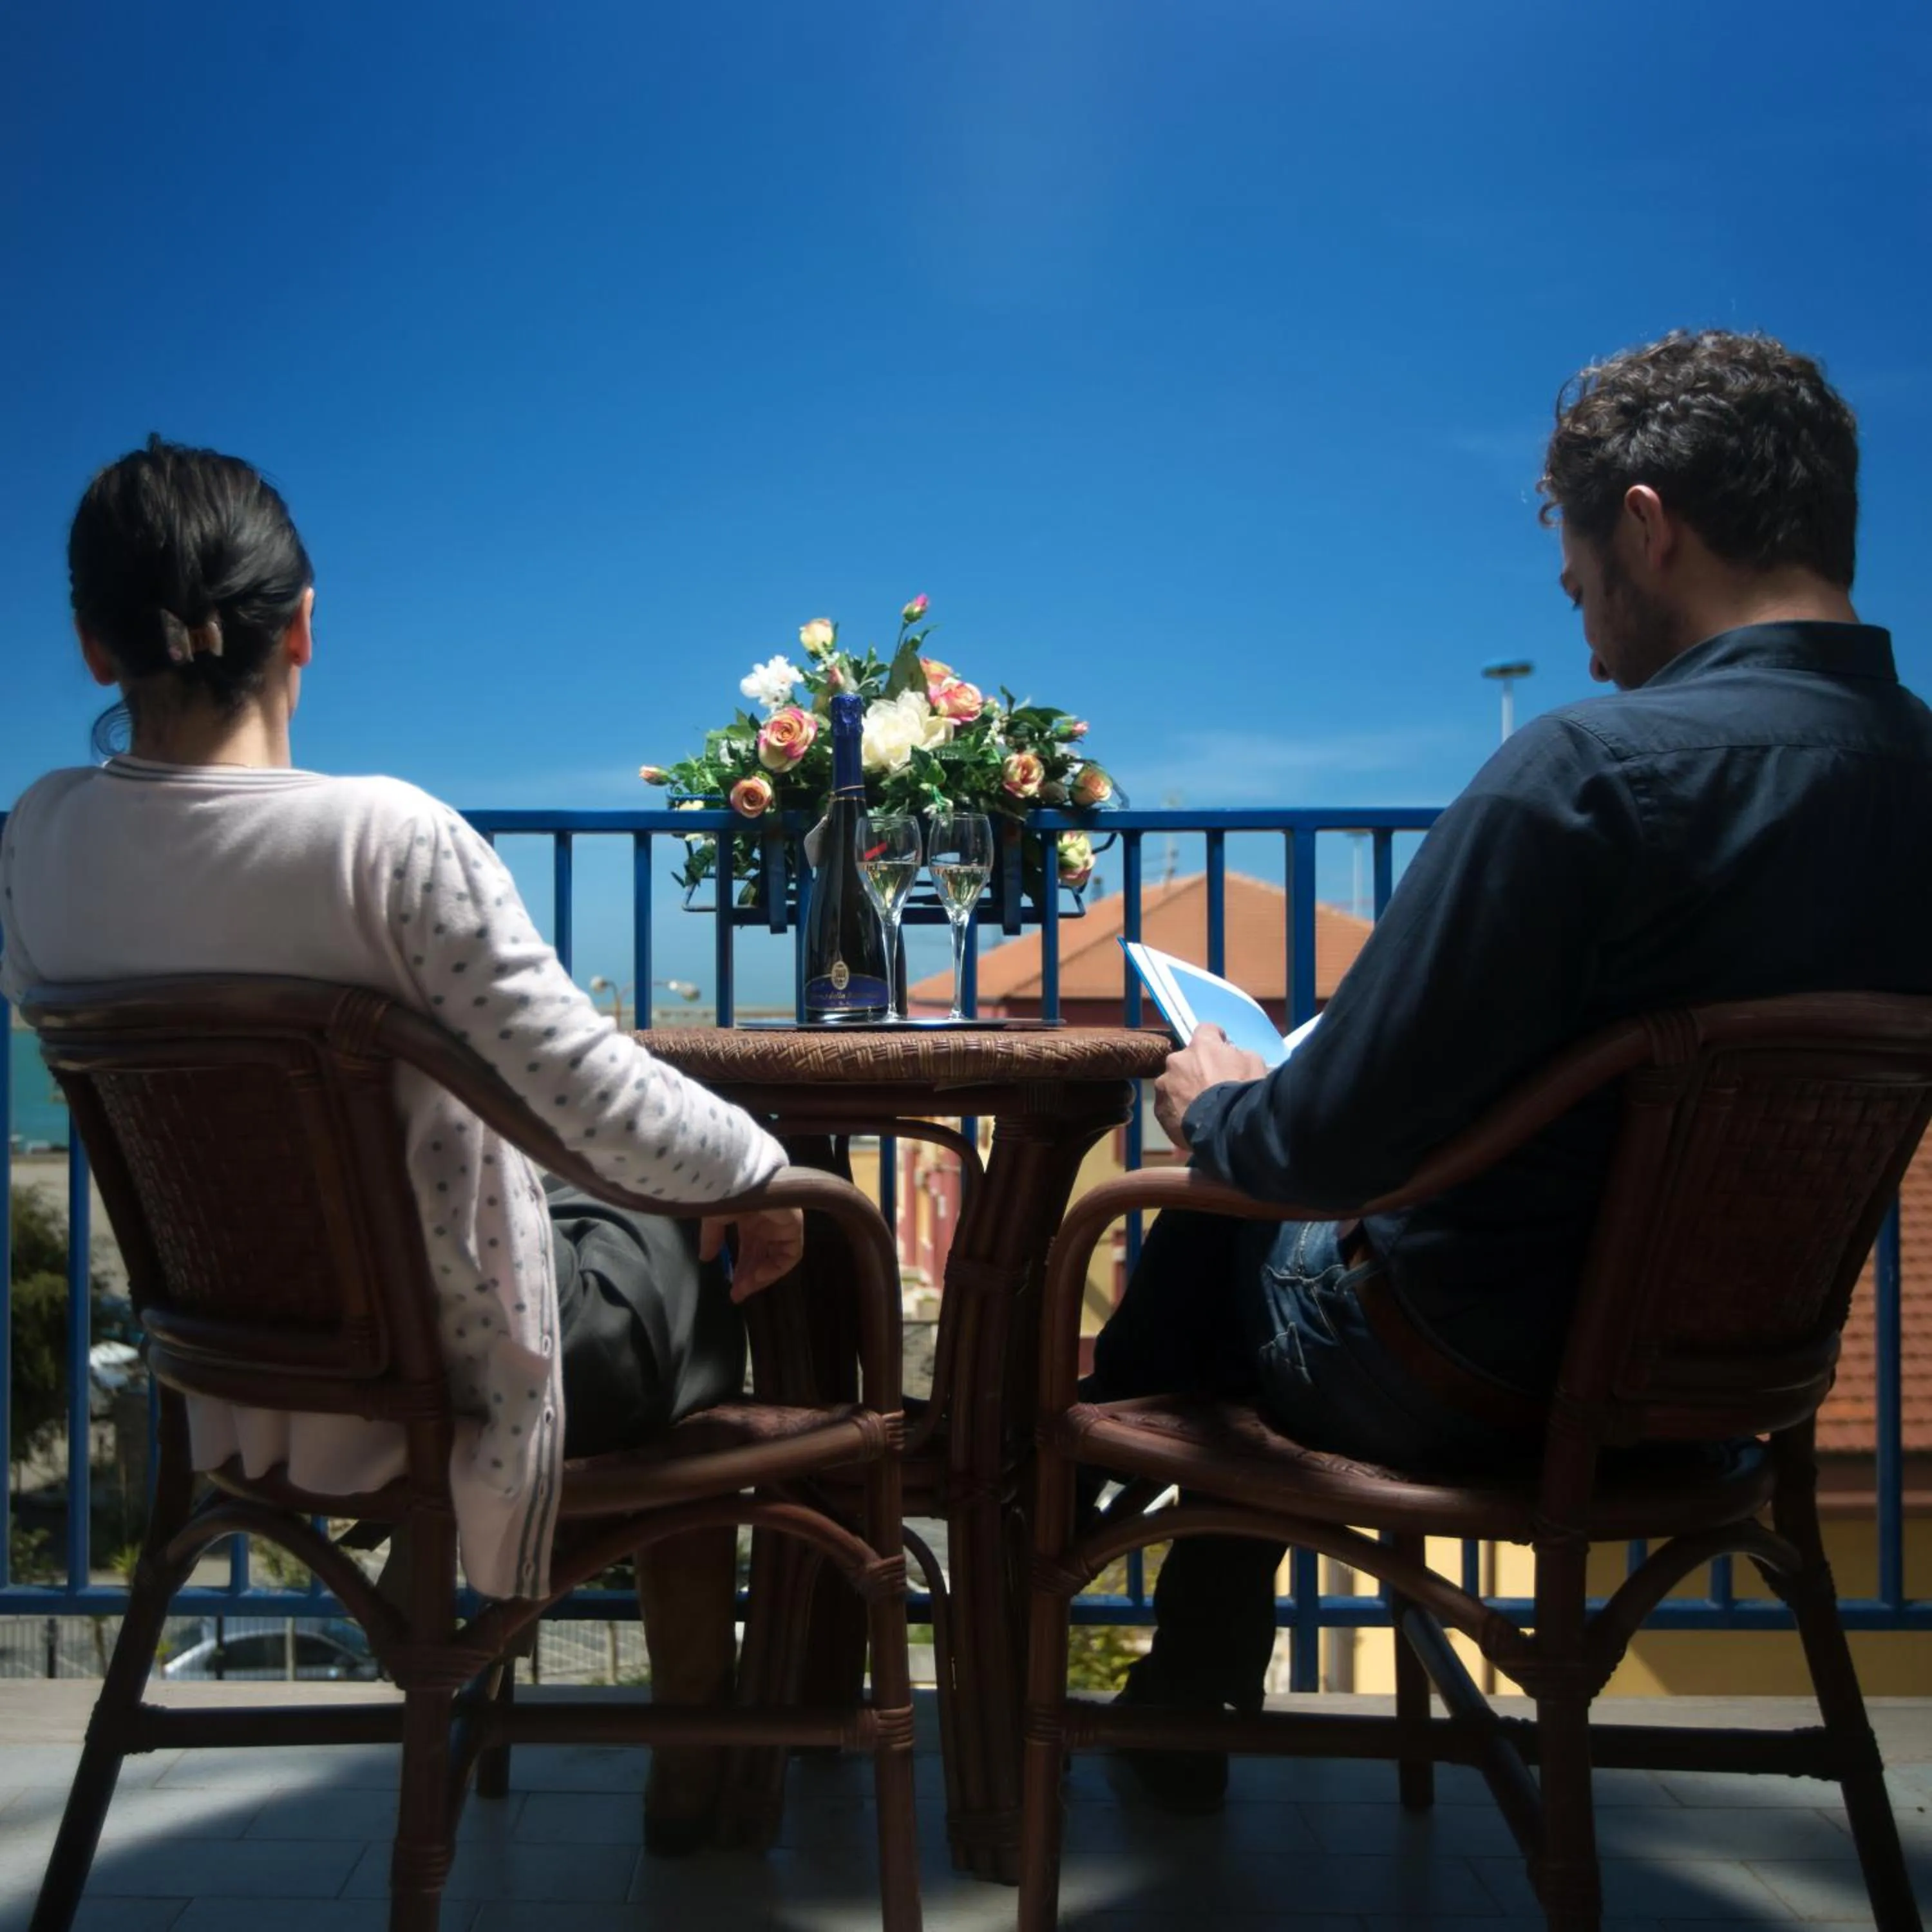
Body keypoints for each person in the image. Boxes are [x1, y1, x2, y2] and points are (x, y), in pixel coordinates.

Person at [1086, 329, 1932, 1810]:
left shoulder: (1590, 777)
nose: (1581, 615)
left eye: (1581, 570)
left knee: (1215, 1216)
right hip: (1740, 1390)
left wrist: (1216, 1098)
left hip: (1472, 1379)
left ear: (1650, 526)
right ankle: (1171, 1672)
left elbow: (1327, 1147)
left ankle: (1102, 1595)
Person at [0, 435, 798, 1852]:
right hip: (455, 1378)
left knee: (653, 1214)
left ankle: (711, 1742)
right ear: (303, 620)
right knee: (714, 1224)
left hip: (244, 1383)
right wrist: (764, 1170)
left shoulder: (34, 847)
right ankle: (720, 1743)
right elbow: (597, 1095)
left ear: (89, 647)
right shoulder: (387, 842)